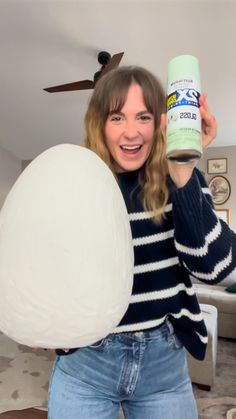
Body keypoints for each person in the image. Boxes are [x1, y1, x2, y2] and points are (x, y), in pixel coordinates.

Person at [47, 66, 236, 419]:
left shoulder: (183, 179)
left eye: (143, 117)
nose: (131, 131)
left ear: (160, 123)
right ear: (99, 124)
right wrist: (50, 321)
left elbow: (217, 268)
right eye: (117, 117)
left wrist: (182, 174)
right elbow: (57, 268)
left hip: (162, 367)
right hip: (86, 365)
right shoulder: (76, 184)